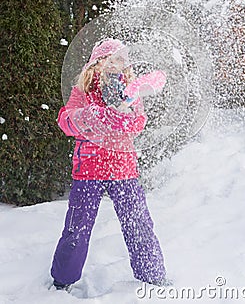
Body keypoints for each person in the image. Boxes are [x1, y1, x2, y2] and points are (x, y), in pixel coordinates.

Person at [50, 38, 170, 291]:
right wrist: (89, 116)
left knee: (138, 223)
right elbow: (65, 122)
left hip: (123, 168)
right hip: (89, 168)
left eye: (121, 60)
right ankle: (62, 281)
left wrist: (123, 118)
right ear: (98, 61)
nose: (116, 65)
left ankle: (153, 276)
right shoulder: (82, 90)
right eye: (111, 59)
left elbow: (139, 122)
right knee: (77, 227)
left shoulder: (130, 90)